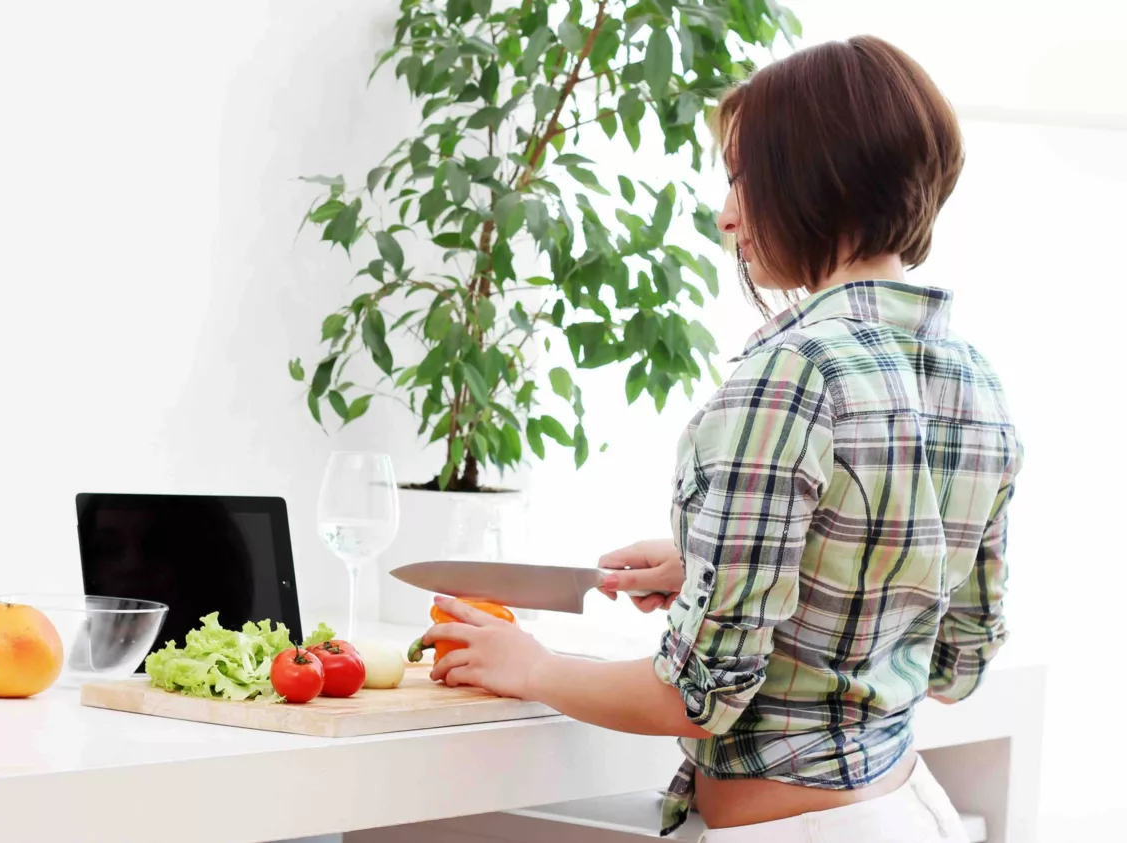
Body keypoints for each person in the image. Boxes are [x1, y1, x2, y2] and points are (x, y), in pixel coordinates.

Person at [421, 35, 1021, 843]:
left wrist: (528, 664)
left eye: (744, 177)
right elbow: (959, 662)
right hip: (908, 814)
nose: (726, 212)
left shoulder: (791, 373)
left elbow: (697, 696)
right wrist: (736, 569)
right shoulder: (974, 377)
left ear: (817, 179)